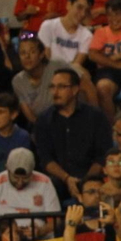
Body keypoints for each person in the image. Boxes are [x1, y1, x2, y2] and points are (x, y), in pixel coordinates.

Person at [35, 68, 112, 201]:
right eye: (52, 87)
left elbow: (102, 156)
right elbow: (45, 159)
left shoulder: (95, 117)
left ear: (75, 89)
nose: (55, 92)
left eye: (61, 87)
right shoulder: (43, 119)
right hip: (58, 180)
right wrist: (67, 178)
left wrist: (85, 182)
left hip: (90, 178)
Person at [0, 148, 62, 241]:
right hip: (3, 240)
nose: (20, 182)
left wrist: (40, 231)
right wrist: (3, 233)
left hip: (37, 239)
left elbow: (56, 221)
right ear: (7, 169)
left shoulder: (45, 183)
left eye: (25, 178)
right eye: (15, 177)